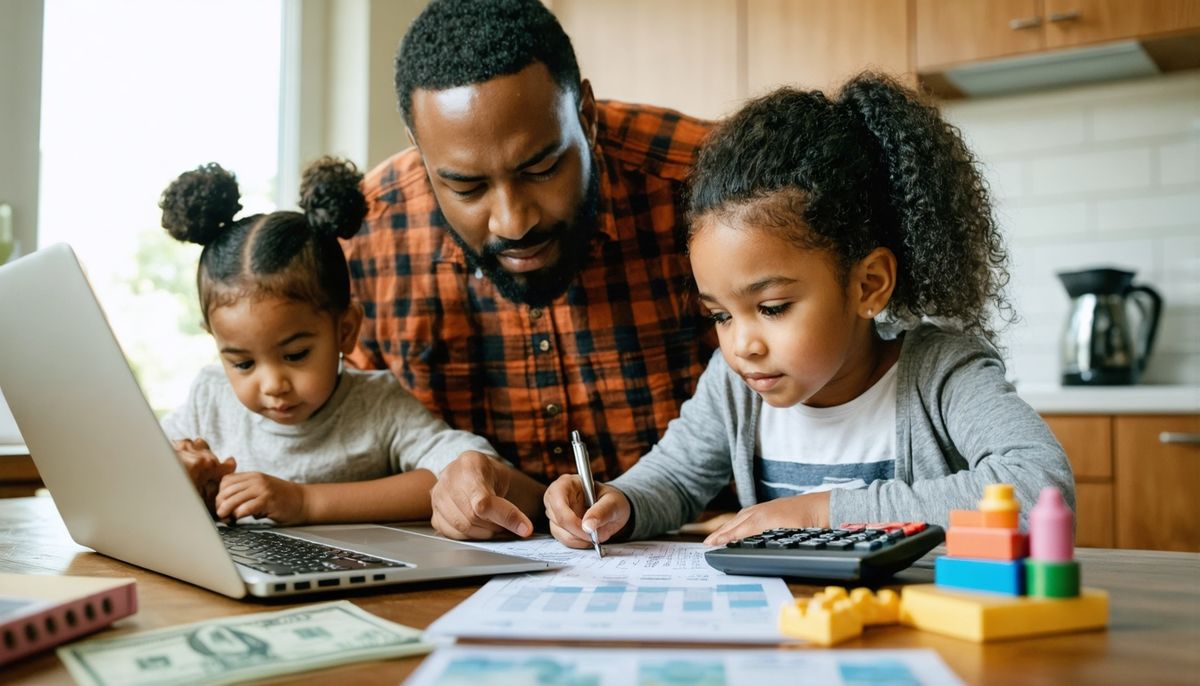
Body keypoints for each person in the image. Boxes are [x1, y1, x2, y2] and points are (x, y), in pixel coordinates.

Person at [544, 73, 1075, 549]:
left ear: (868, 285)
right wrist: (619, 503)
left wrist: (822, 512)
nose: (741, 344)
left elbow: (1041, 487)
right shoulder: (735, 386)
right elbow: (677, 478)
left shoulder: (940, 374)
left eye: (772, 307)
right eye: (721, 316)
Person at [341, 0, 716, 539]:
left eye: (541, 168)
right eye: (466, 186)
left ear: (585, 115)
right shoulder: (368, 238)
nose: (513, 222)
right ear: (419, 150)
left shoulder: (714, 189)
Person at [159, 157, 500, 525]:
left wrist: (305, 502)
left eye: (296, 354)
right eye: (242, 363)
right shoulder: (209, 399)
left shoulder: (378, 405)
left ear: (346, 330)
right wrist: (175, 473)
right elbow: (133, 466)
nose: (273, 385)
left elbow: (471, 471)